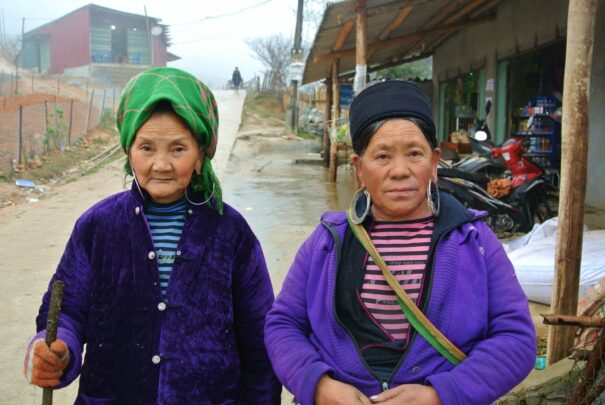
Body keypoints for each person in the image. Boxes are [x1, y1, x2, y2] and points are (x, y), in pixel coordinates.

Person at [264, 80, 536, 405]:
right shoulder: (328, 240)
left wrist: (441, 394)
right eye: (381, 156)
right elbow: (283, 324)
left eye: (414, 153)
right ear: (359, 169)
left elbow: (516, 339)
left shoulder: (473, 240)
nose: (400, 170)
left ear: (434, 162)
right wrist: (320, 386)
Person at [24, 67, 281, 404]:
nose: (161, 164)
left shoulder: (231, 233)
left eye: (178, 149)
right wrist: (56, 349)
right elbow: (67, 310)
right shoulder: (97, 226)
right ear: (129, 152)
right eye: (146, 148)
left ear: (201, 155)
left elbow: (258, 333)